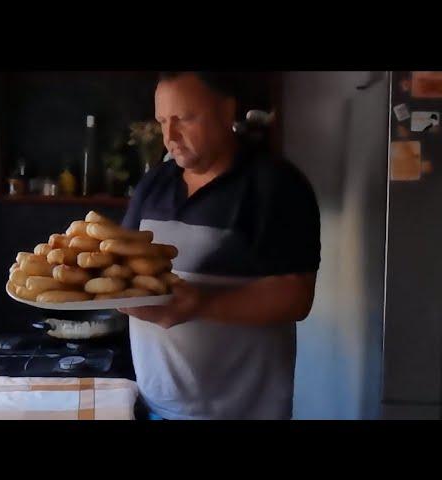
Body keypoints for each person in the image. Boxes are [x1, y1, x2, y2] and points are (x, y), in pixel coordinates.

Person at [118, 72, 321, 420]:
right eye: (163, 122)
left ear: (227, 112)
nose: (170, 137)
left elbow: (296, 297)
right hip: (155, 407)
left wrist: (201, 305)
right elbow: (119, 267)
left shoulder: (276, 185)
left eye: (185, 119)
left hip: (243, 412)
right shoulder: (153, 184)